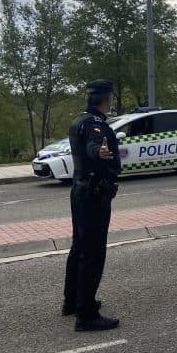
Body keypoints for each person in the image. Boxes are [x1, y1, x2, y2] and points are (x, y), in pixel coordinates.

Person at [62, 79, 121, 331]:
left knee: (79, 248)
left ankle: (72, 301)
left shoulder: (78, 121)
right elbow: (93, 145)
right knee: (93, 253)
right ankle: (86, 315)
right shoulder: (95, 124)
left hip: (80, 191)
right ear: (107, 98)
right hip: (93, 194)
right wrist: (100, 152)